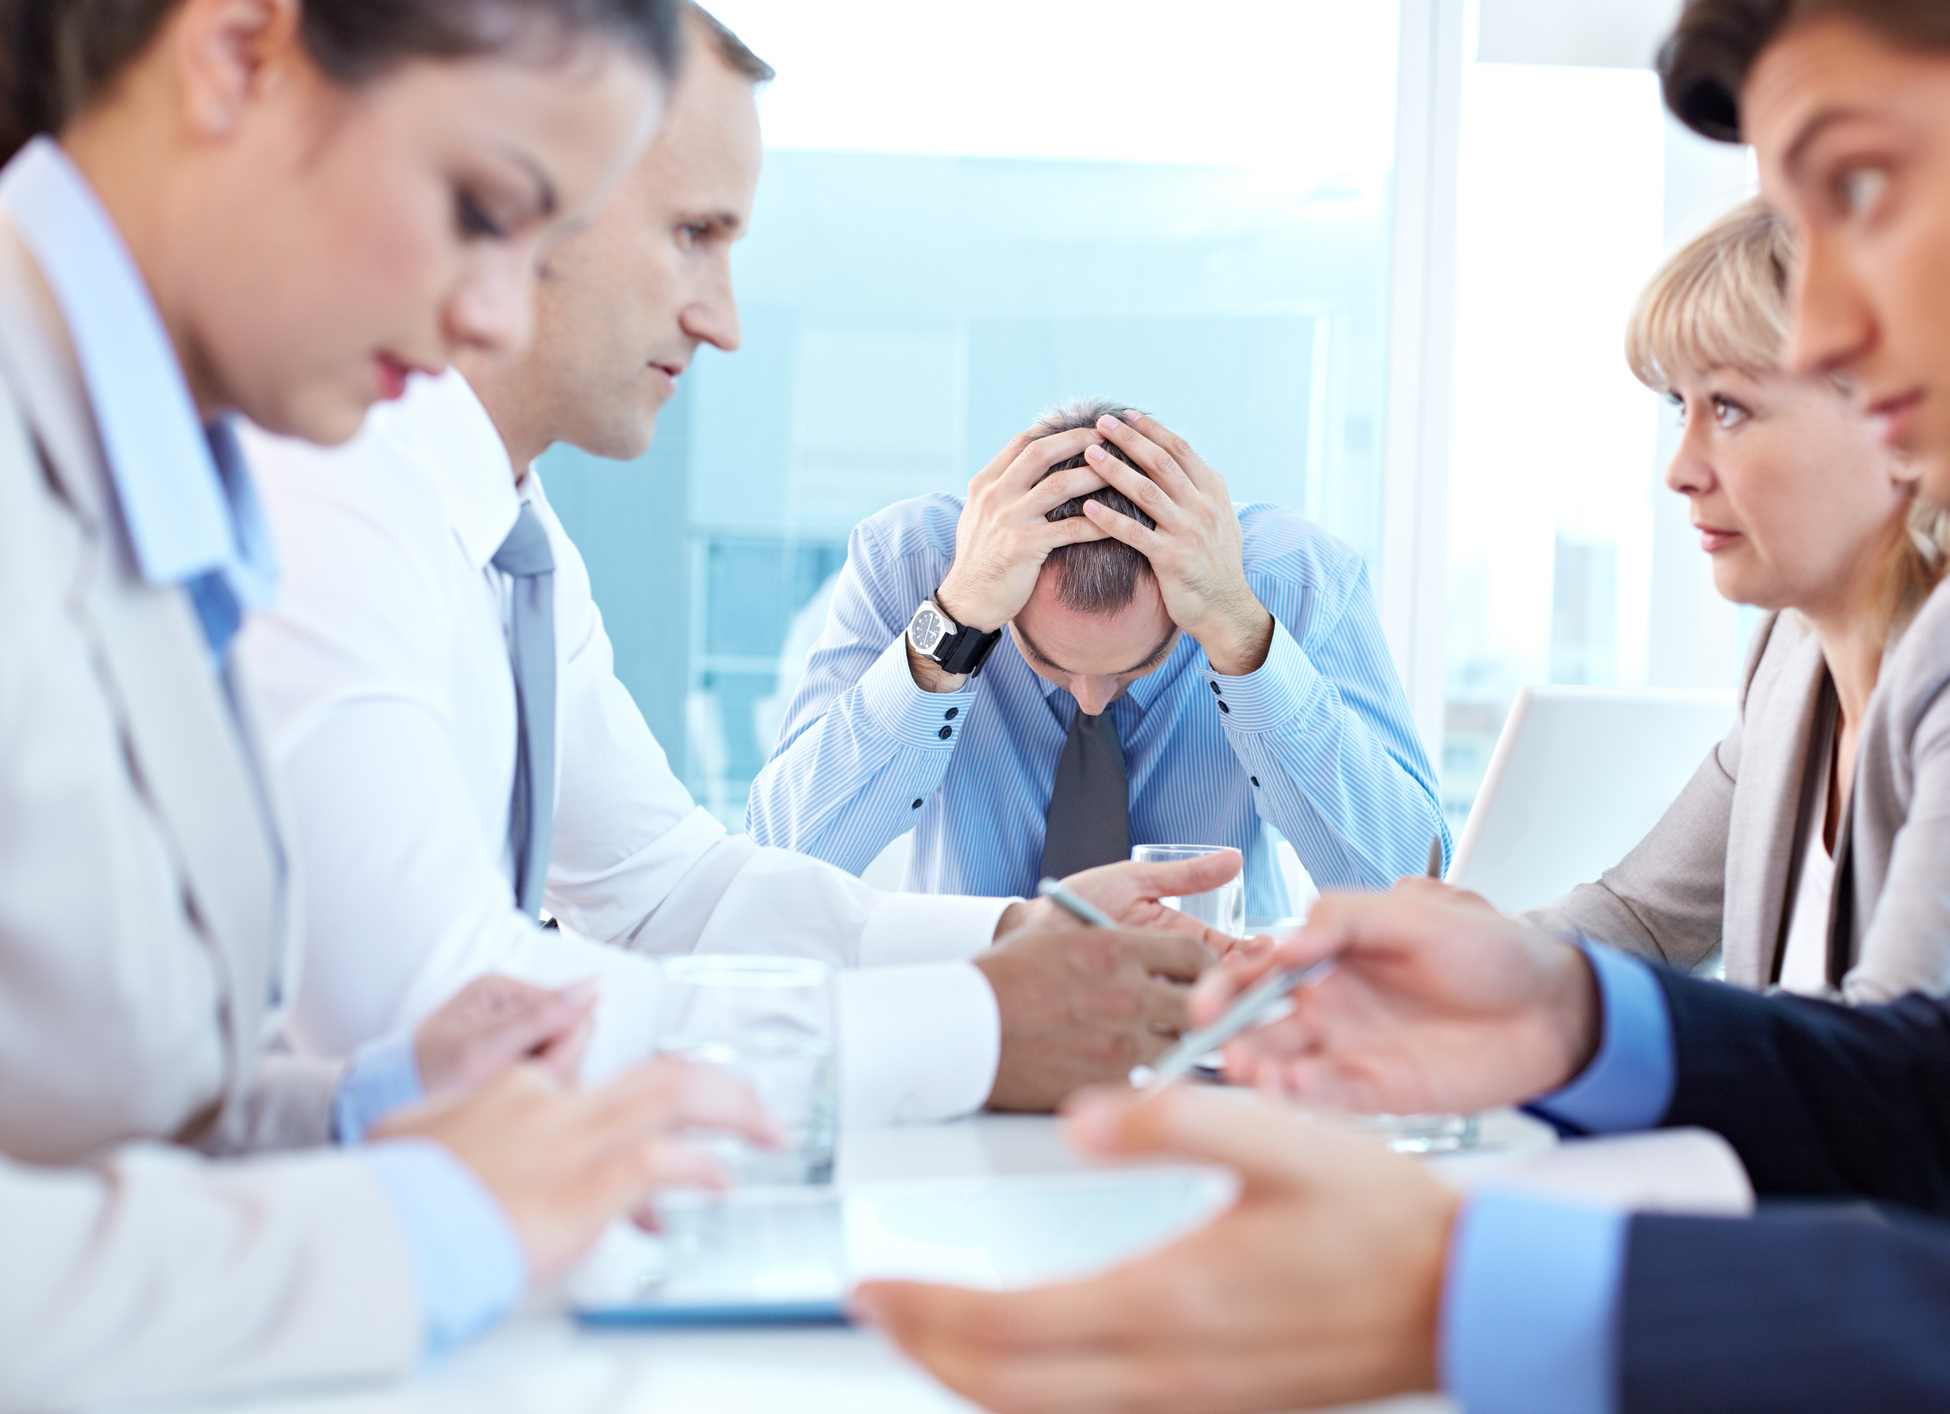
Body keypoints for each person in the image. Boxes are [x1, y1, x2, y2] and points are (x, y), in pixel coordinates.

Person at [852, 0, 1950, 1410]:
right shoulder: (1859, 657)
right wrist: (1568, 1011)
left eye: (1865, 186)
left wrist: (1486, 1280)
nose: (1827, 324)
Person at [238, 9, 1235, 1123]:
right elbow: (432, 1009)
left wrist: (1014, 939)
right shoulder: (336, 489)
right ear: (515, 200)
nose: (723, 321)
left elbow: (670, 889)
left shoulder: (515, 534)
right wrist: (981, 1025)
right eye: (692, 235)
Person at [0, 0, 780, 1405]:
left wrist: (370, 1102)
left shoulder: (162, 485)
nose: (494, 309)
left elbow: (83, 1113)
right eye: (482, 206)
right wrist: (426, 1226)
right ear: (240, 55)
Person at [1525, 199, 1950, 1002]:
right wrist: (1447, 959)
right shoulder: (1792, 650)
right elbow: (1644, 921)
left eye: (1727, 407)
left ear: (1906, 427)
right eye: (1679, 408)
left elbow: (1902, 1058)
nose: (1680, 469)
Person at [748, 396, 1448, 923]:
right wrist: (952, 624)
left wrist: (1244, 638)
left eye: (1130, 669)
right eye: (1049, 664)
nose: (1088, 698)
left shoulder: (1295, 581)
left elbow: (1407, 893)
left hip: (1220, 1036)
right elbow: (773, 866)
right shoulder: (911, 567)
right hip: (975, 1026)